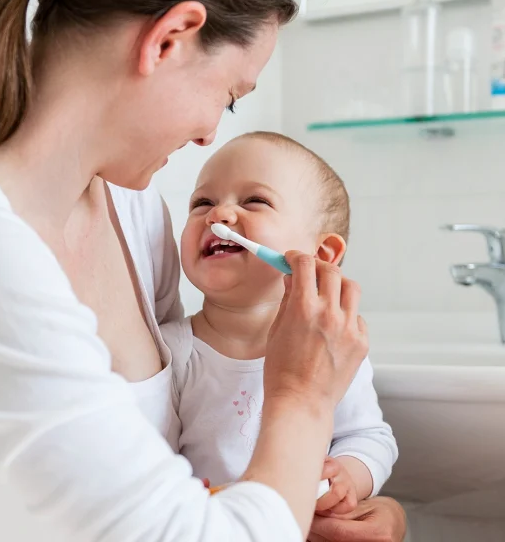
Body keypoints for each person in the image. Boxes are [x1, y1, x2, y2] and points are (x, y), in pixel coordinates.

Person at [0, 0, 406, 540]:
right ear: (170, 38)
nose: (210, 134)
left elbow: (164, 481)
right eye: (229, 96)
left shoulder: (137, 216)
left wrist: (318, 516)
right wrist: (303, 395)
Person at [160, 132, 398, 514]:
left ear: (320, 254)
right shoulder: (172, 352)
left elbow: (369, 437)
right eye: (202, 202)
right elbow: (146, 458)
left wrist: (349, 475)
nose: (217, 215)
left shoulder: (333, 347)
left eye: (255, 201)